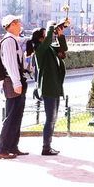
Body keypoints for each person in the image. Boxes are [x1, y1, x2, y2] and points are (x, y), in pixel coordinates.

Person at [32, 20, 68, 157]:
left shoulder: (49, 49)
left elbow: (63, 50)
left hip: (55, 87)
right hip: (48, 88)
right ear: (41, 38)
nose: (49, 36)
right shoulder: (40, 50)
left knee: (53, 118)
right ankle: (45, 147)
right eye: (46, 35)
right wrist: (51, 26)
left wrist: (60, 35)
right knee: (50, 118)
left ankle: (48, 146)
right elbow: (48, 40)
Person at [0, 15, 28, 160]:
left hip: (15, 81)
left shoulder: (14, 41)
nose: (20, 25)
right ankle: (1, 148)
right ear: (12, 24)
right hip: (12, 81)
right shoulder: (8, 42)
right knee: (11, 116)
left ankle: (12, 146)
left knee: (16, 115)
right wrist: (17, 82)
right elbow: (10, 64)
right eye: (18, 22)